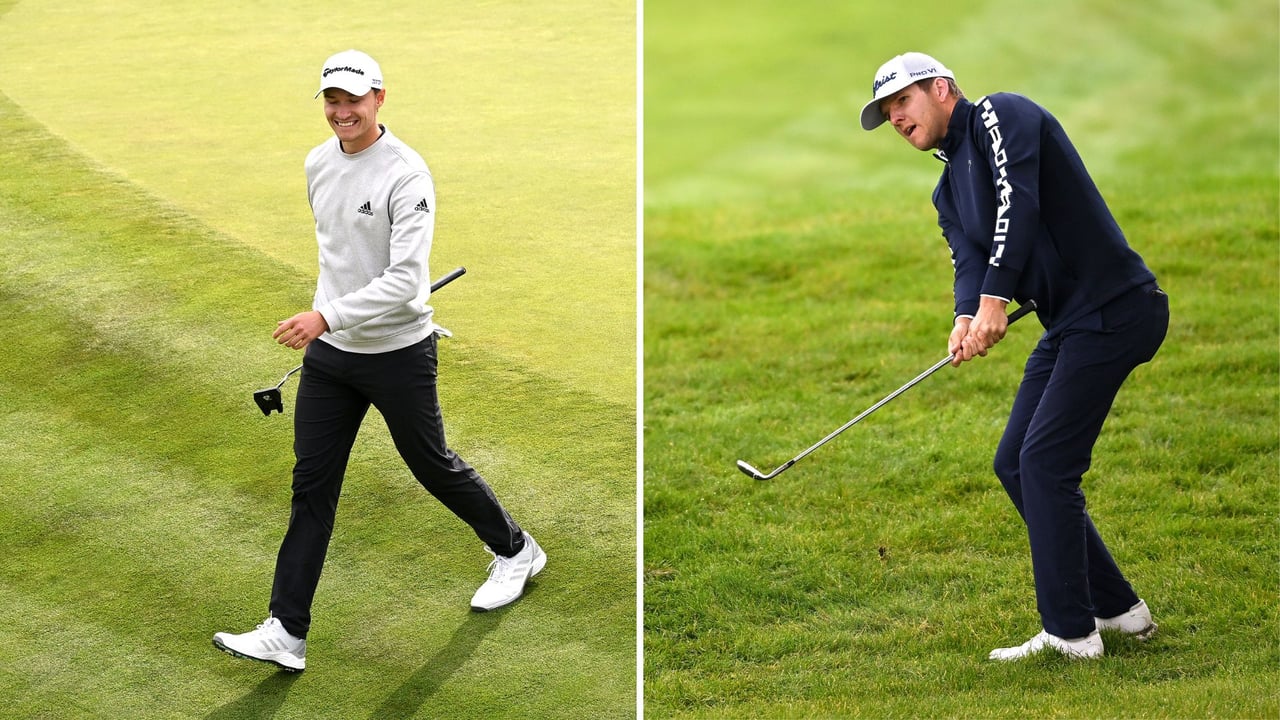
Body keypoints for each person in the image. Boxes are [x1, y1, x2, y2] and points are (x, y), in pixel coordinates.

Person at [214, 49, 545, 672]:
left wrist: (325, 316)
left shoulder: (406, 175)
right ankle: (287, 631)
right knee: (311, 487)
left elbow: (405, 283)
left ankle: (516, 550)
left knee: (432, 466)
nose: (342, 112)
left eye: (353, 101)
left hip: (396, 354)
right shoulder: (317, 162)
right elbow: (336, 258)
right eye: (332, 101)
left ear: (379, 99)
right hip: (331, 358)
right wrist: (325, 321)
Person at [859, 52, 1167, 661]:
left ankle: (1071, 634)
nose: (895, 119)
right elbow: (969, 262)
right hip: (1071, 324)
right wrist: (966, 316)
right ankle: (1120, 611)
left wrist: (998, 299)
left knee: (1047, 462)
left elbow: (1016, 202)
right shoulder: (946, 189)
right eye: (887, 113)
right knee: (1016, 463)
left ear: (941, 89)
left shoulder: (1002, 116)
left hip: (1116, 308)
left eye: (903, 103)